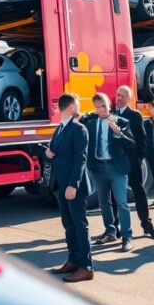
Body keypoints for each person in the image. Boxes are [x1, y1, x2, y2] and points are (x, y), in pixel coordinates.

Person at [44, 93, 94, 282]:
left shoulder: (79, 129)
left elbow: (81, 159)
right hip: (60, 185)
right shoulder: (59, 129)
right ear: (72, 107)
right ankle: (73, 260)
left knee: (80, 226)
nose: (80, 106)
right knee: (69, 225)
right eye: (78, 104)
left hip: (74, 187)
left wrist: (74, 184)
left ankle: (86, 267)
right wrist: (49, 153)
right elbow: (57, 153)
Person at [82, 92, 137, 252]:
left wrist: (118, 132)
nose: (101, 109)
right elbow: (82, 118)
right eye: (98, 107)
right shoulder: (91, 123)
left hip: (116, 168)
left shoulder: (121, 121)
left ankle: (127, 236)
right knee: (104, 202)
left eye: (104, 105)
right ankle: (110, 231)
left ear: (109, 105)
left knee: (121, 202)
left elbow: (131, 144)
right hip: (98, 168)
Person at [112, 86, 154, 239]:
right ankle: (116, 225)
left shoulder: (134, 115)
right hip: (115, 162)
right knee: (114, 195)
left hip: (132, 161)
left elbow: (142, 140)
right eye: (117, 95)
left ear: (128, 98)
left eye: (122, 96)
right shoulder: (110, 114)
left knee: (139, 191)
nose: (118, 98)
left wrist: (138, 159)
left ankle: (146, 224)